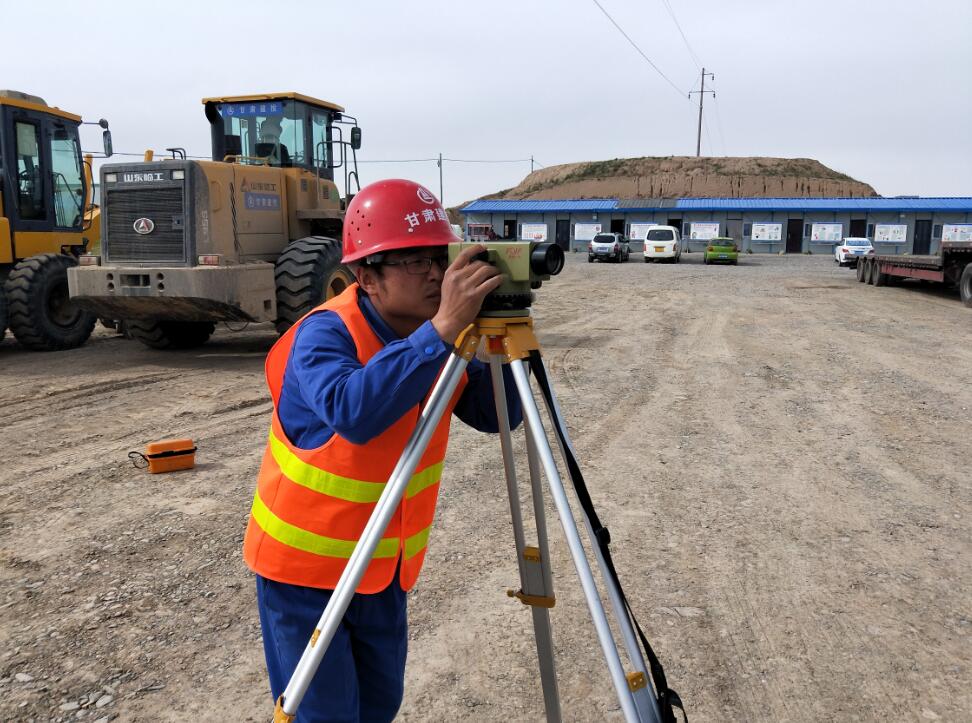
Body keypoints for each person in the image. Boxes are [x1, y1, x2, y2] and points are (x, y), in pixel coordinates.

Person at [243, 178, 523, 722]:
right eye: (414, 262)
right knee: (326, 716)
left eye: (438, 257)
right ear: (366, 276)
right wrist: (442, 329)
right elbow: (356, 412)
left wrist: (492, 337)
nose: (436, 274)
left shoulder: (437, 335)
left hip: (381, 569)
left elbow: (499, 417)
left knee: (378, 707)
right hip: (304, 571)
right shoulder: (323, 334)